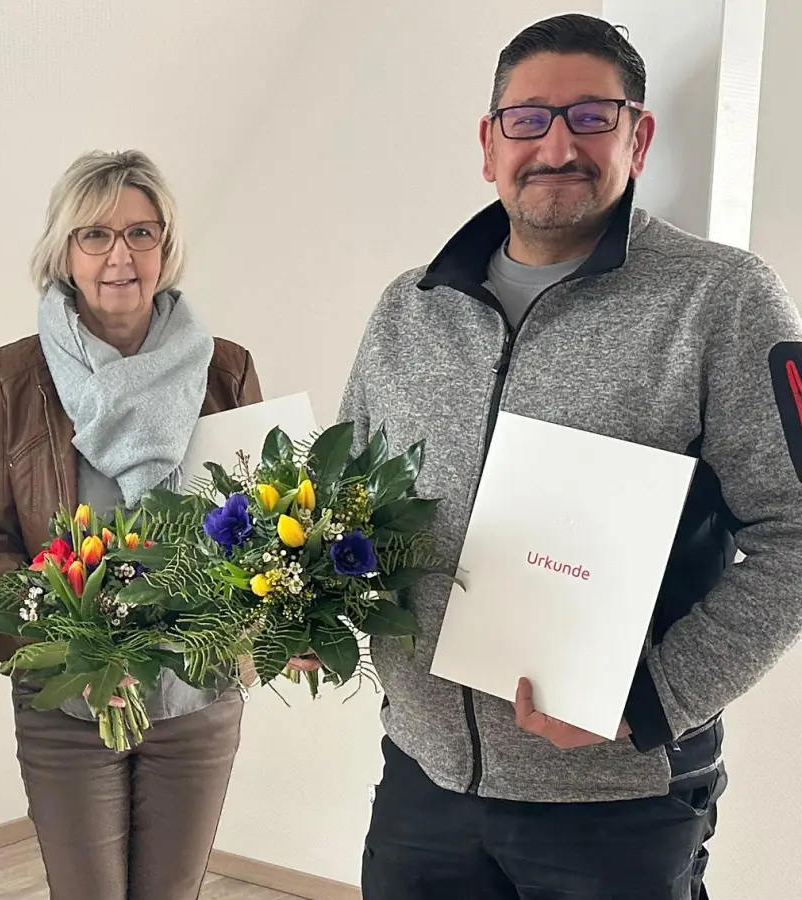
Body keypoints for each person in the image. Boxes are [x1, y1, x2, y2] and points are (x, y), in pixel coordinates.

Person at [339, 14, 802, 899]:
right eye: (528, 118)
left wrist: (652, 702)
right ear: (488, 142)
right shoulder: (409, 307)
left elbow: (795, 534)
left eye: (592, 116)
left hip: (615, 804)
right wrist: (301, 614)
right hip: (423, 783)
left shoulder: (721, 300)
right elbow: (346, 504)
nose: (557, 144)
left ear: (640, 134)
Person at [0, 149, 268, 900]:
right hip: (68, 699)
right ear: (64, 252)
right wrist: (75, 645)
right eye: (94, 235)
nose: (119, 255)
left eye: (140, 233)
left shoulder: (225, 369)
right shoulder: (10, 377)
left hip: (198, 691)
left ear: (166, 245)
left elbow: (263, 523)